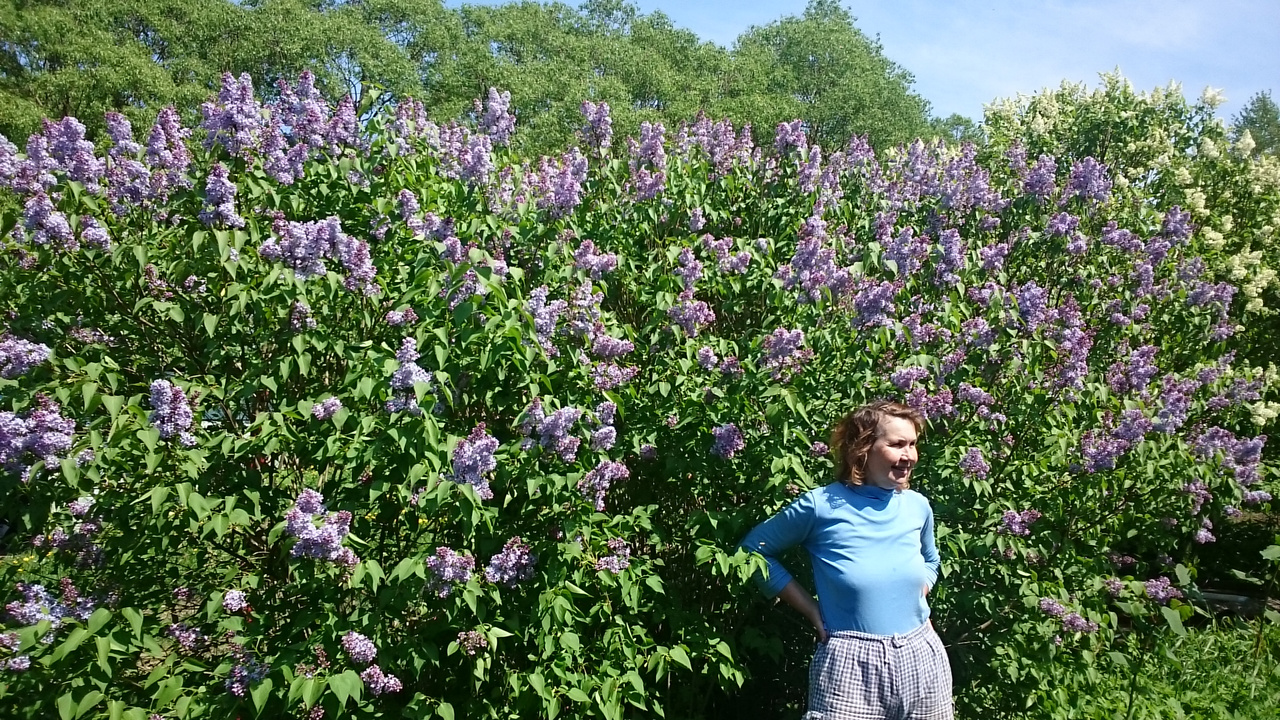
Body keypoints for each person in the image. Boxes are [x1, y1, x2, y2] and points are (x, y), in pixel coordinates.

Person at [739, 400, 952, 720]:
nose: (909, 456)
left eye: (913, 444)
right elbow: (753, 551)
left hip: (922, 655)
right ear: (862, 449)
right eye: (897, 445)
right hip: (851, 663)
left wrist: (914, 596)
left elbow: (932, 562)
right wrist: (811, 610)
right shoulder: (821, 506)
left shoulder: (917, 506)